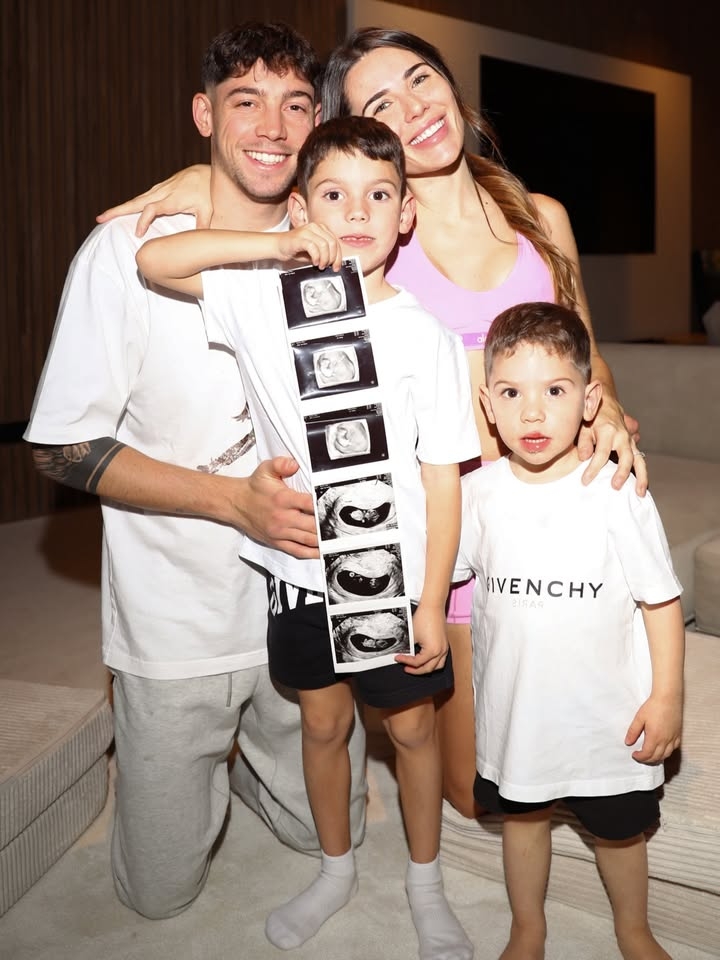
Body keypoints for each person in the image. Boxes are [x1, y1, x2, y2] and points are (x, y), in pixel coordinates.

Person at [96, 25, 648, 821]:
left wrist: (612, 412)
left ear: (450, 83)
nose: (413, 107)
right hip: (448, 530)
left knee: (593, 741)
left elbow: (587, 352)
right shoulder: (371, 239)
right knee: (473, 791)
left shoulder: (541, 217)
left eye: (420, 78)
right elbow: (265, 210)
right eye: (381, 105)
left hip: (554, 508)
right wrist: (196, 176)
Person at [24, 22, 367, 921]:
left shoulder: (339, 237)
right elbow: (59, 447)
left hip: (302, 607)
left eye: (296, 105)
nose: (273, 127)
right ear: (203, 115)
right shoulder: (124, 253)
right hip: (175, 622)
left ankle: (250, 770)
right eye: (245, 101)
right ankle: (191, 762)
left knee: (333, 834)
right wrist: (233, 503)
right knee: (159, 896)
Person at [136, 115, 480, 957]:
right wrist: (275, 246)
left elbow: (443, 477)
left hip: (398, 579)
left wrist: (431, 602)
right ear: (301, 207)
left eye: (379, 195)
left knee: (411, 731)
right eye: (333, 194)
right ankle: (335, 869)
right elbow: (156, 261)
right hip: (299, 574)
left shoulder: (425, 334)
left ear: (406, 214)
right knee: (323, 727)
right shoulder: (262, 298)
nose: (356, 212)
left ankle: (426, 881)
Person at [453, 301, 684, 960]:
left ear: (589, 400)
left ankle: (632, 928)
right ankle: (527, 927)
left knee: (619, 833)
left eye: (554, 391)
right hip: (518, 715)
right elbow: (448, 575)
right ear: (487, 405)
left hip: (605, 721)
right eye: (511, 393)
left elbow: (661, 600)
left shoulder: (616, 489)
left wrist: (667, 698)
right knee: (523, 822)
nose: (532, 413)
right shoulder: (478, 494)